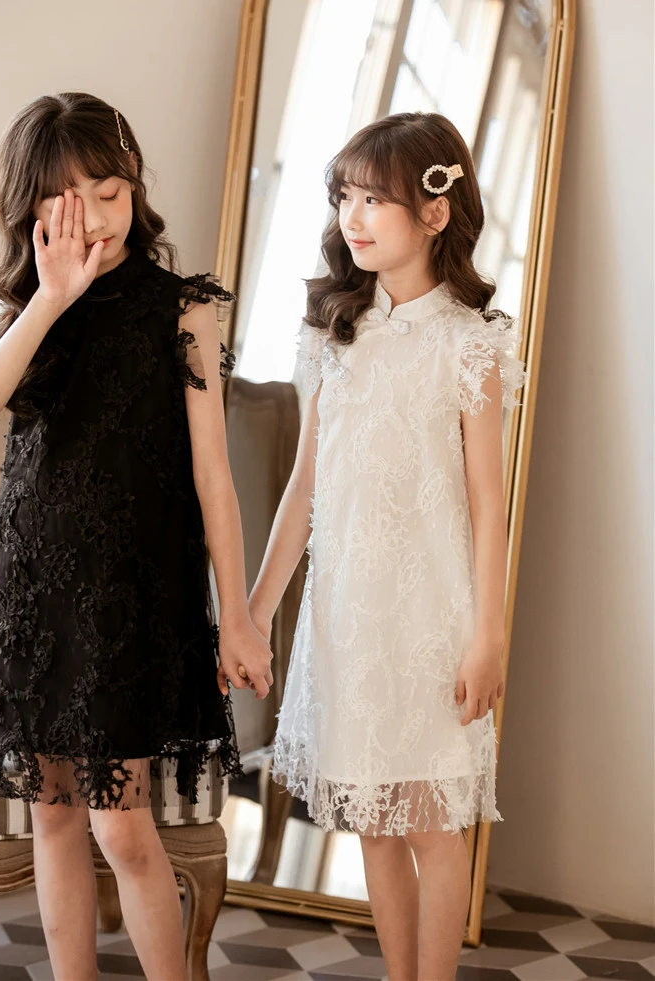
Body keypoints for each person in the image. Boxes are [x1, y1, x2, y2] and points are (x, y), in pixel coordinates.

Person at [0, 92, 273, 981]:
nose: (95, 217)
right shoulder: (22, 305)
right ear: (31, 209)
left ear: (135, 186)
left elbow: (215, 479)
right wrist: (54, 296)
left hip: (129, 601)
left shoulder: (182, 308)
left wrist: (237, 615)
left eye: (110, 192)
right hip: (30, 593)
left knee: (122, 826)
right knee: (52, 815)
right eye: (70, 201)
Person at [248, 112, 526, 981]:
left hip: (434, 621)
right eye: (345, 198)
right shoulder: (335, 335)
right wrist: (253, 614)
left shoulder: (470, 344)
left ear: (435, 213)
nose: (352, 216)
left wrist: (489, 636)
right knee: (373, 819)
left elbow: (489, 504)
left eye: (374, 199)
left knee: (432, 824)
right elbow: (304, 489)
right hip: (349, 619)